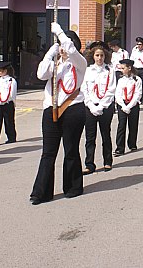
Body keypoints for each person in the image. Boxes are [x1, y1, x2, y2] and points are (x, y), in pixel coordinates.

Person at [30, 23, 86, 205]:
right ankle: (41, 192)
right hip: (51, 108)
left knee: (71, 150)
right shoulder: (55, 64)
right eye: (61, 46)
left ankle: (73, 187)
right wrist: (50, 53)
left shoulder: (79, 63)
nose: (64, 49)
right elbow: (40, 74)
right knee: (48, 152)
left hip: (73, 108)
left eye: (67, 45)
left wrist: (60, 33)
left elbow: (71, 48)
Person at [81, 42, 116, 174]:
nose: (99, 58)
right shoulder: (88, 70)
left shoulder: (109, 70)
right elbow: (84, 89)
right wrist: (91, 105)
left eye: (101, 55)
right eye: (97, 55)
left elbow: (111, 89)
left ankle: (107, 161)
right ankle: (89, 164)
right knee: (90, 137)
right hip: (90, 107)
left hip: (105, 107)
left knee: (105, 135)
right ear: (93, 56)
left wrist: (101, 106)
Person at [114, 59, 142, 156]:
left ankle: (132, 144)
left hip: (133, 105)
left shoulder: (137, 79)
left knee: (133, 125)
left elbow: (137, 94)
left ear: (129, 68)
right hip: (122, 105)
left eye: (123, 68)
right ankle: (119, 148)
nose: (121, 70)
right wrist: (122, 105)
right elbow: (118, 94)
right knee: (121, 126)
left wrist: (130, 106)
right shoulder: (121, 80)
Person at [0, 63, 17, 147]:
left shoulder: (11, 80)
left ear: (5, 71)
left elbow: (12, 93)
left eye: (1, 71)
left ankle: (11, 137)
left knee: (9, 121)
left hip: (8, 103)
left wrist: (5, 100)